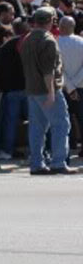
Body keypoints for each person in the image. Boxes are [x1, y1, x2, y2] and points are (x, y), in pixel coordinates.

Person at [21, 7, 76, 175]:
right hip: (47, 90)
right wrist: (51, 92)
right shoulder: (48, 41)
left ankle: (36, 163)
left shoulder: (27, 39)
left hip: (32, 89)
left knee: (36, 128)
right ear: (50, 21)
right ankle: (58, 162)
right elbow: (48, 71)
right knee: (61, 124)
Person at [0, 20, 28, 160]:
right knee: (36, 122)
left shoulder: (6, 47)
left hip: (11, 90)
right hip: (28, 87)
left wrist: (0, 86)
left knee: (10, 122)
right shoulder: (28, 44)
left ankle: (7, 150)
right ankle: (37, 151)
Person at [57, 15, 83, 157]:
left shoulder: (55, 43)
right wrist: (75, 83)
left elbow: (58, 68)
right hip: (81, 86)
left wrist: (69, 85)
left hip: (62, 87)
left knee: (63, 118)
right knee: (81, 117)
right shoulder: (81, 42)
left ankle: (67, 145)